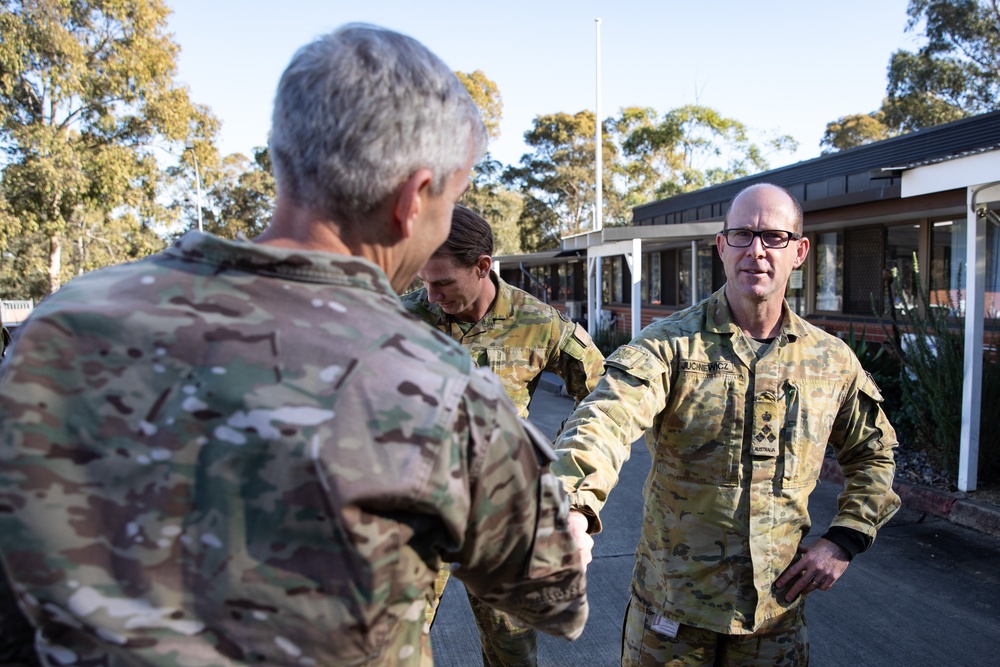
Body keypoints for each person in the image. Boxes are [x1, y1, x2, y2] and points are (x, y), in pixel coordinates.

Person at [0, 24, 589, 667]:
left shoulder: (63, 326)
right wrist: (572, 530)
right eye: (452, 198)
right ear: (414, 199)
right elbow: (553, 596)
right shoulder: (434, 385)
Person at [552, 183, 901, 666]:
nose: (756, 251)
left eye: (774, 237)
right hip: (672, 616)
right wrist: (573, 506)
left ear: (799, 252)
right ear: (722, 247)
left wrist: (845, 537)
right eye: (742, 235)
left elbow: (873, 452)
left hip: (774, 618)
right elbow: (605, 418)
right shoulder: (671, 346)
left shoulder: (830, 360)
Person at [402, 206, 605, 666]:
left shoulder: (540, 323)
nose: (431, 296)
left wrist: (560, 473)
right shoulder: (405, 319)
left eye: (443, 283)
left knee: (512, 651)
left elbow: (602, 397)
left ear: (482, 267)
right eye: (424, 282)